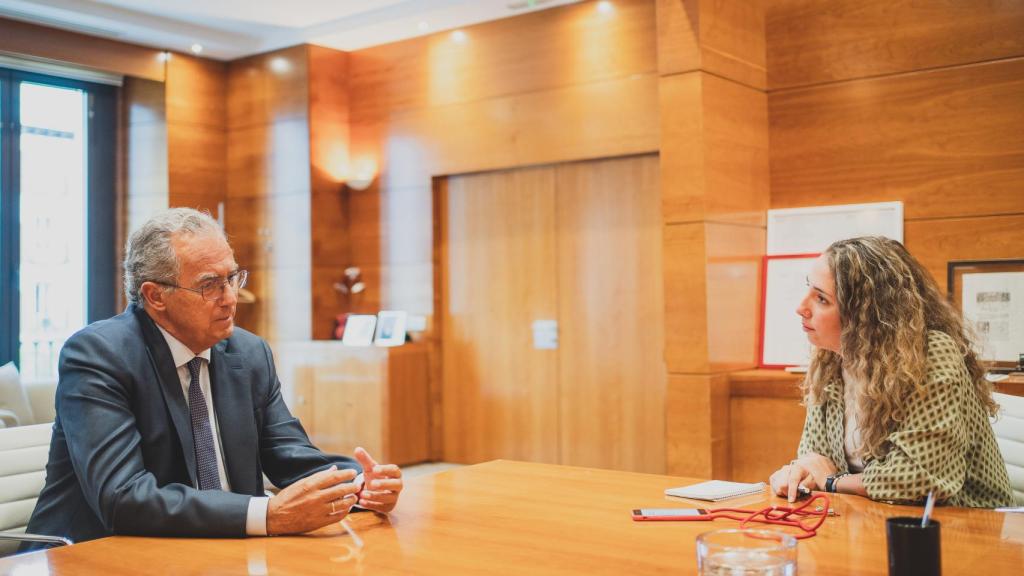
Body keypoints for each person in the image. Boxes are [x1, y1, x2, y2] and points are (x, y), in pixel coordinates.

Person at [24, 208, 404, 549]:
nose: (230, 298)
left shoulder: (248, 353)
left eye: (233, 278)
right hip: (94, 555)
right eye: (210, 285)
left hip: (217, 550)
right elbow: (124, 497)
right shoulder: (98, 356)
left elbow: (289, 455)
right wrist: (267, 515)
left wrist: (358, 485)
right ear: (156, 296)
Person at [769, 236, 1013, 507]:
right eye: (808, 289)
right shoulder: (829, 358)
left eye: (821, 299)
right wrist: (798, 473)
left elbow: (921, 478)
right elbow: (814, 456)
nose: (800, 307)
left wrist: (833, 482)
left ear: (865, 315)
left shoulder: (930, 354)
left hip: (969, 527)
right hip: (869, 519)